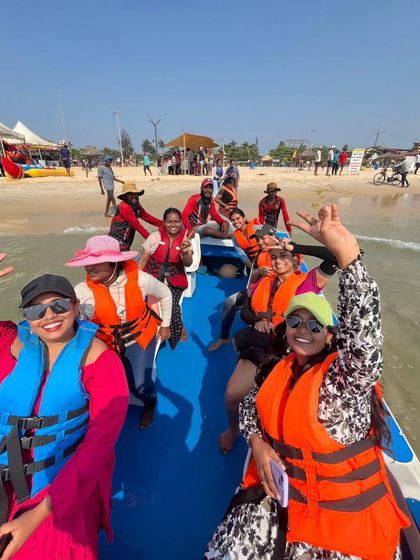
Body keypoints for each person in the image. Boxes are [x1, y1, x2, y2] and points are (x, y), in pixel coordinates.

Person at [206, 204, 410, 560]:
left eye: (315, 325)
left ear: (330, 336)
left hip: (339, 527)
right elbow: (254, 409)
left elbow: (363, 344)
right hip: (280, 507)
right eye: (296, 323)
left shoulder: (345, 381)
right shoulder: (276, 370)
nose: (303, 330)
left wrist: (347, 255)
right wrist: (257, 444)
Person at [0, 273, 128, 559]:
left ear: (74, 306)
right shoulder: (7, 342)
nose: (49, 316)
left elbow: (97, 449)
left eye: (58, 305)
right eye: (36, 310)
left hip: (58, 492)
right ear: (27, 318)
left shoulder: (101, 363)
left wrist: (37, 516)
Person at [219, 233, 338, 453]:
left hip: (292, 349)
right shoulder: (265, 281)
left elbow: (334, 257)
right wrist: (258, 320)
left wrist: (295, 246)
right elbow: (246, 309)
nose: (277, 260)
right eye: (273, 256)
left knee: (277, 405)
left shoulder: (307, 283)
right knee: (232, 394)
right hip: (260, 344)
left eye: (284, 255)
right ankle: (234, 429)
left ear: (295, 259)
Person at [65, 235, 172, 429]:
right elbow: (75, 323)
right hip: (105, 342)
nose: (90, 268)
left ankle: (150, 405)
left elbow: (166, 293)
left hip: (139, 337)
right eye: (88, 263)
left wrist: (165, 324)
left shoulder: (141, 279)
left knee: (139, 385)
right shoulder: (81, 291)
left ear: (114, 262)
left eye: (96, 263)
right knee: (93, 385)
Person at [138, 208, 194, 349]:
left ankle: (178, 329)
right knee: (139, 303)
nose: (173, 224)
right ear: (164, 223)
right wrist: (136, 277)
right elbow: (144, 259)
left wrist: (184, 251)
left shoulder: (185, 241)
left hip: (174, 281)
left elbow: (188, 263)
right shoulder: (154, 237)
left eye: (176, 221)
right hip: (153, 278)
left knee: (173, 308)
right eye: (169, 222)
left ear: (181, 223)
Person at [108, 182, 162, 250]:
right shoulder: (125, 207)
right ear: (124, 197)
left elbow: (146, 217)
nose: (134, 196)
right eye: (130, 194)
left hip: (126, 240)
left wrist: (163, 224)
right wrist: (152, 241)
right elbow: (138, 226)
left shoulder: (136, 205)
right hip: (116, 240)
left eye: (135, 194)